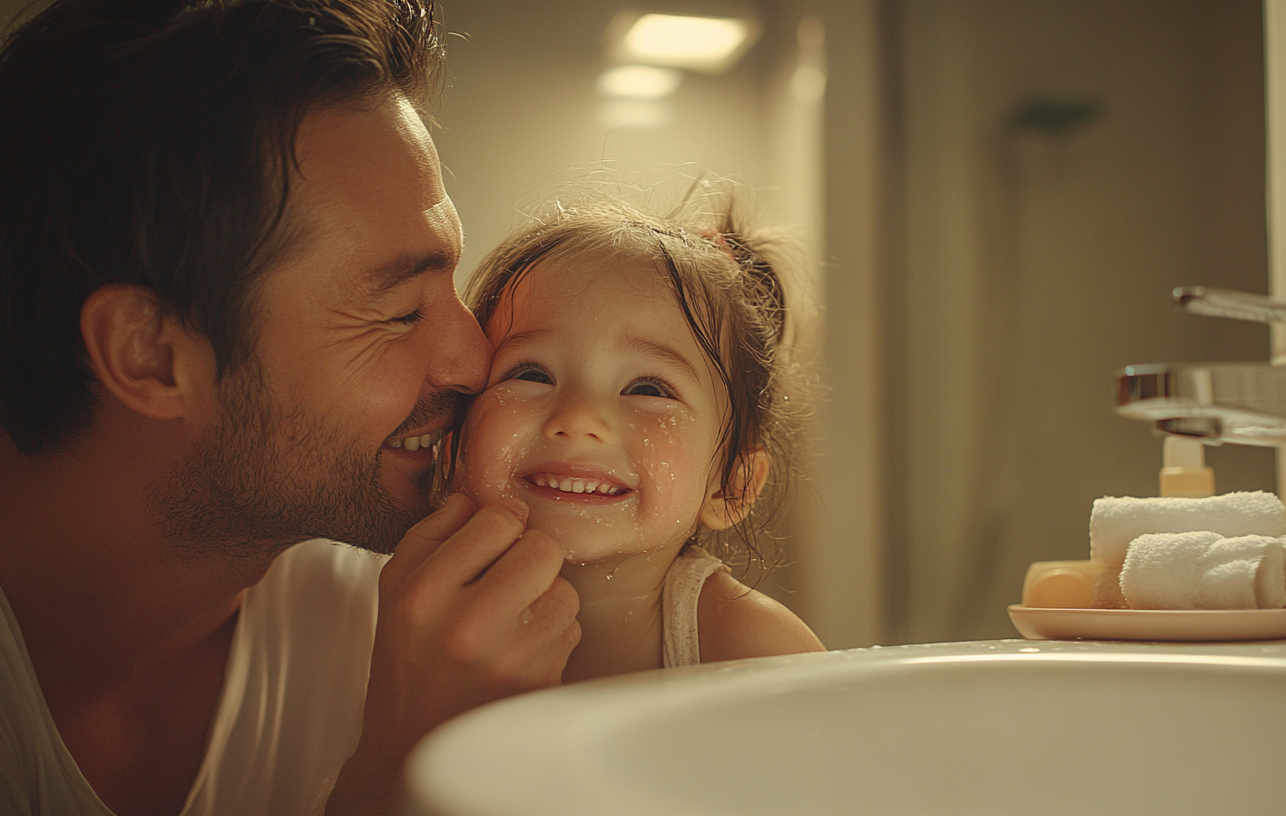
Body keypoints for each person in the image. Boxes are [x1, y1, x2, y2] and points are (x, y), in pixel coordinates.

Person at [0, 2, 579, 814]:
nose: (475, 359)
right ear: (152, 355)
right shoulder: (422, 682)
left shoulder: (412, 618)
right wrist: (405, 772)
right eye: (400, 311)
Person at [450, 188, 825, 684]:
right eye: (531, 374)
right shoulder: (408, 609)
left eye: (648, 388)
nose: (579, 417)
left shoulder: (749, 649)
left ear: (730, 484)